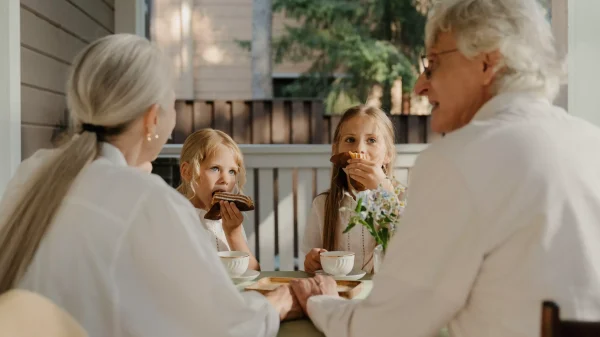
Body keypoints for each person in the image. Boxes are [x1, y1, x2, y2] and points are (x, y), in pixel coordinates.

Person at [290, 0, 600, 336]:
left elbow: (385, 327)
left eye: (433, 63)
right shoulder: (591, 143)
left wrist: (319, 300)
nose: (420, 86)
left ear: (487, 61)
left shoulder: (457, 160)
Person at [0, 34, 299, 337]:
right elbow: (224, 329)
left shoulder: (32, 171)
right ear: (152, 119)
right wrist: (283, 300)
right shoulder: (147, 200)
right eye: (172, 102)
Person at [301, 105, 405, 274]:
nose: (359, 149)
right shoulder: (323, 204)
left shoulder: (405, 200)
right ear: (336, 150)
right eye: (350, 140)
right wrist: (312, 261)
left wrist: (385, 191)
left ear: (388, 154)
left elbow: (413, 252)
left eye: (371, 140)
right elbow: (310, 259)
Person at [177, 128, 259, 270]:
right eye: (215, 168)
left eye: (232, 171)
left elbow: (253, 272)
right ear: (188, 172)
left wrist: (234, 234)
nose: (225, 179)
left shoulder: (228, 220)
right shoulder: (176, 216)